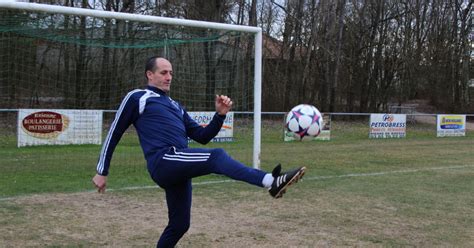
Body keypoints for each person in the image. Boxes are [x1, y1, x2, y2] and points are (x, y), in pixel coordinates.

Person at [92, 57, 306, 247]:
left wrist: (220, 115)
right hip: (163, 159)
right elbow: (114, 132)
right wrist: (102, 170)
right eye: (163, 72)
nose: (169, 77)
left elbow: (201, 137)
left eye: (171, 73)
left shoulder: (175, 106)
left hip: (178, 164)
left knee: (179, 225)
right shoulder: (138, 97)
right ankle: (270, 181)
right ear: (150, 74)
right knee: (217, 156)